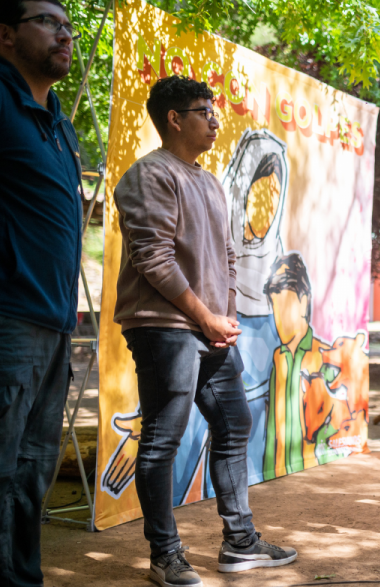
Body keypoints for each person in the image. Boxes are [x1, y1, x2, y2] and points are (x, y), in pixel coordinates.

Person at [114, 75, 296, 587]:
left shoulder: (209, 180)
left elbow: (228, 256)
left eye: (214, 110)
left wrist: (226, 314)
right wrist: (206, 315)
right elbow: (153, 258)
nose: (216, 118)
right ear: (174, 119)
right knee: (162, 442)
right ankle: (164, 556)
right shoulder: (148, 175)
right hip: (164, 327)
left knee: (234, 425)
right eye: (203, 110)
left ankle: (240, 543)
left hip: (211, 328)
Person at [0, 0, 83, 585]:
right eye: (47, 23)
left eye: (68, 26)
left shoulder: (60, 124)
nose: (64, 34)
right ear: (6, 36)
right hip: (8, 317)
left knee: (33, 469)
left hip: (55, 324)